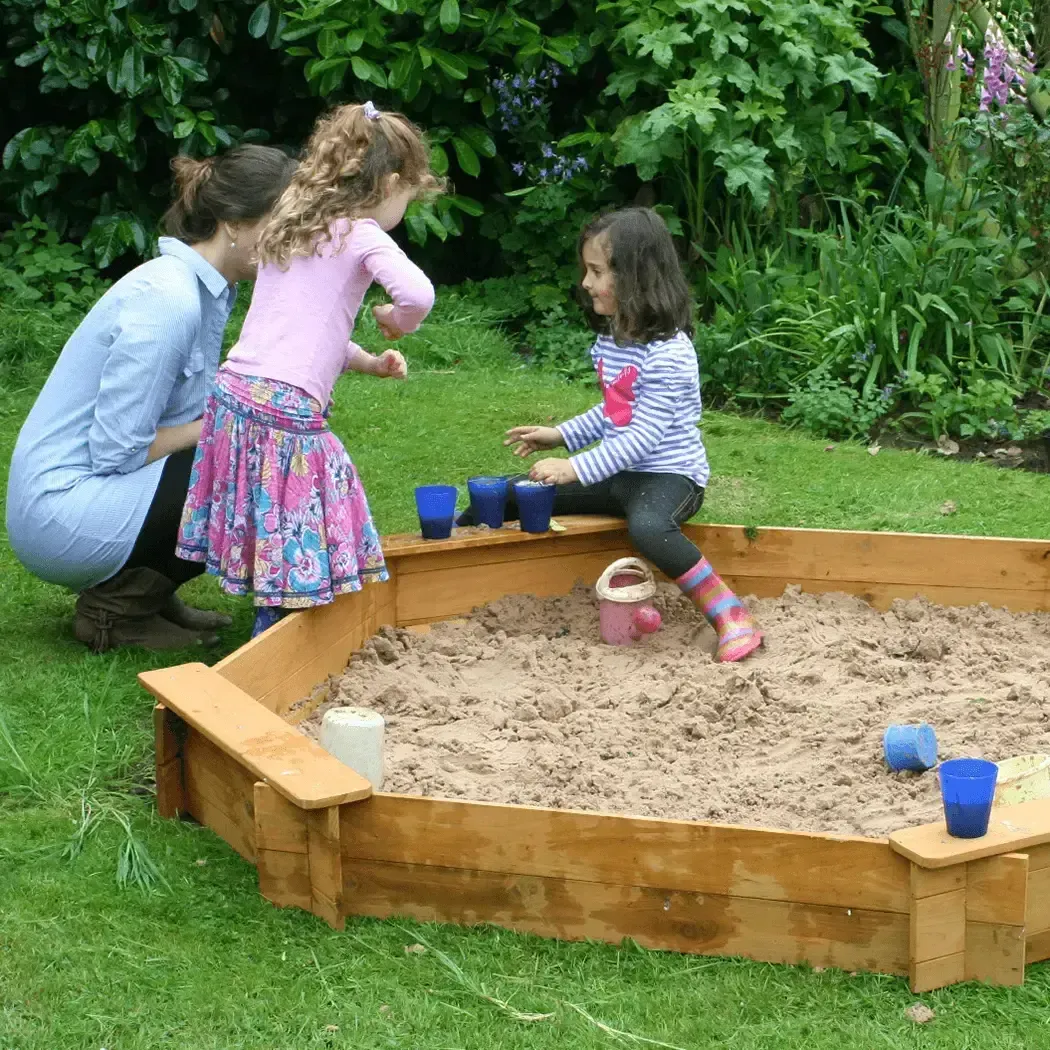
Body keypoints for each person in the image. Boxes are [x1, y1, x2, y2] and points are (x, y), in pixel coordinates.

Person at [6, 145, 298, 652]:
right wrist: (221, 426)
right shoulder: (170, 301)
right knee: (241, 457)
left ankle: (149, 592)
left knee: (248, 442)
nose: (294, 241)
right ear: (234, 221)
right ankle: (114, 615)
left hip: (89, 494)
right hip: (62, 513)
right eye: (285, 223)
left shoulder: (205, 289)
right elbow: (117, 452)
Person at [176, 102, 440, 638]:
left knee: (269, 517)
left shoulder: (295, 225)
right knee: (318, 503)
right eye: (408, 199)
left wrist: (366, 361)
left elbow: (305, 334)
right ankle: (278, 635)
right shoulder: (361, 234)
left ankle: (277, 614)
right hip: (281, 409)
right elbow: (418, 294)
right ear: (390, 183)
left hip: (234, 397)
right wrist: (394, 319)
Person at [466, 207, 762, 663]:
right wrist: (560, 434)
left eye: (597, 271)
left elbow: (642, 438)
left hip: (669, 477)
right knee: (516, 491)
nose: (586, 282)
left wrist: (574, 467)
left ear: (637, 277)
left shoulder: (670, 354)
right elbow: (614, 410)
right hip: (620, 472)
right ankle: (443, 548)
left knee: (648, 526)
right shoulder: (615, 340)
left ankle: (728, 614)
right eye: (587, 269)